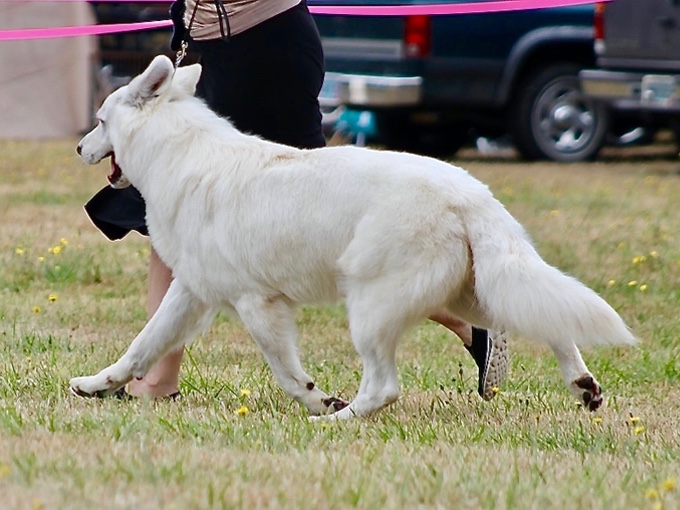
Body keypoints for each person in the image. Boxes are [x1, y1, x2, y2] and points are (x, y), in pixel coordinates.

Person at [84, 0, 507, 402]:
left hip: (266, 47)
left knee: (325, 230)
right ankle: (156, 378)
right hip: (207, 45)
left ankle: (469, 319)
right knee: (174, 213)